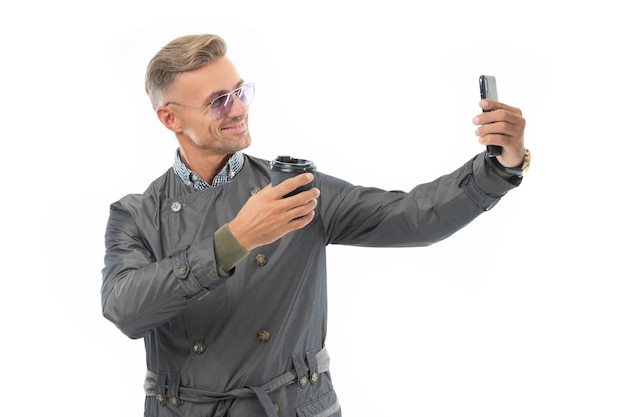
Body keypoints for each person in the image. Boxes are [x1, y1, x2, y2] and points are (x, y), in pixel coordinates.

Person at [101, 33, 529, 417]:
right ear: (170, 119)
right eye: (218, 101)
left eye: (240, 92)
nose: (238, 109)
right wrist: (237, 239)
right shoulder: (137, 214)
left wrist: (501, 165)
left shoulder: (293, 188)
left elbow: (413, 216)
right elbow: (125, 310)